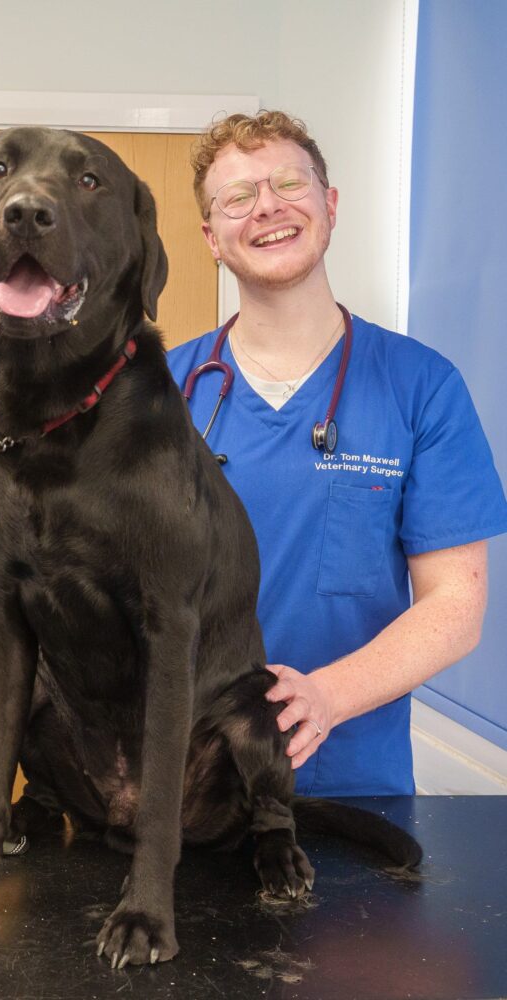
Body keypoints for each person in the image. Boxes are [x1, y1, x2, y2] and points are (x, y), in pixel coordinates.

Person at [166, 111, 507, 797]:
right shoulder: (162, 394)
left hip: (353, 787)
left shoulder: (421, 387)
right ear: (211, 238)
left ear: (331, 204)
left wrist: (324, 697)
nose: (267, 207)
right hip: (182, 791)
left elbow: (455, 606)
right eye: (237, 197)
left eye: (290, 183)